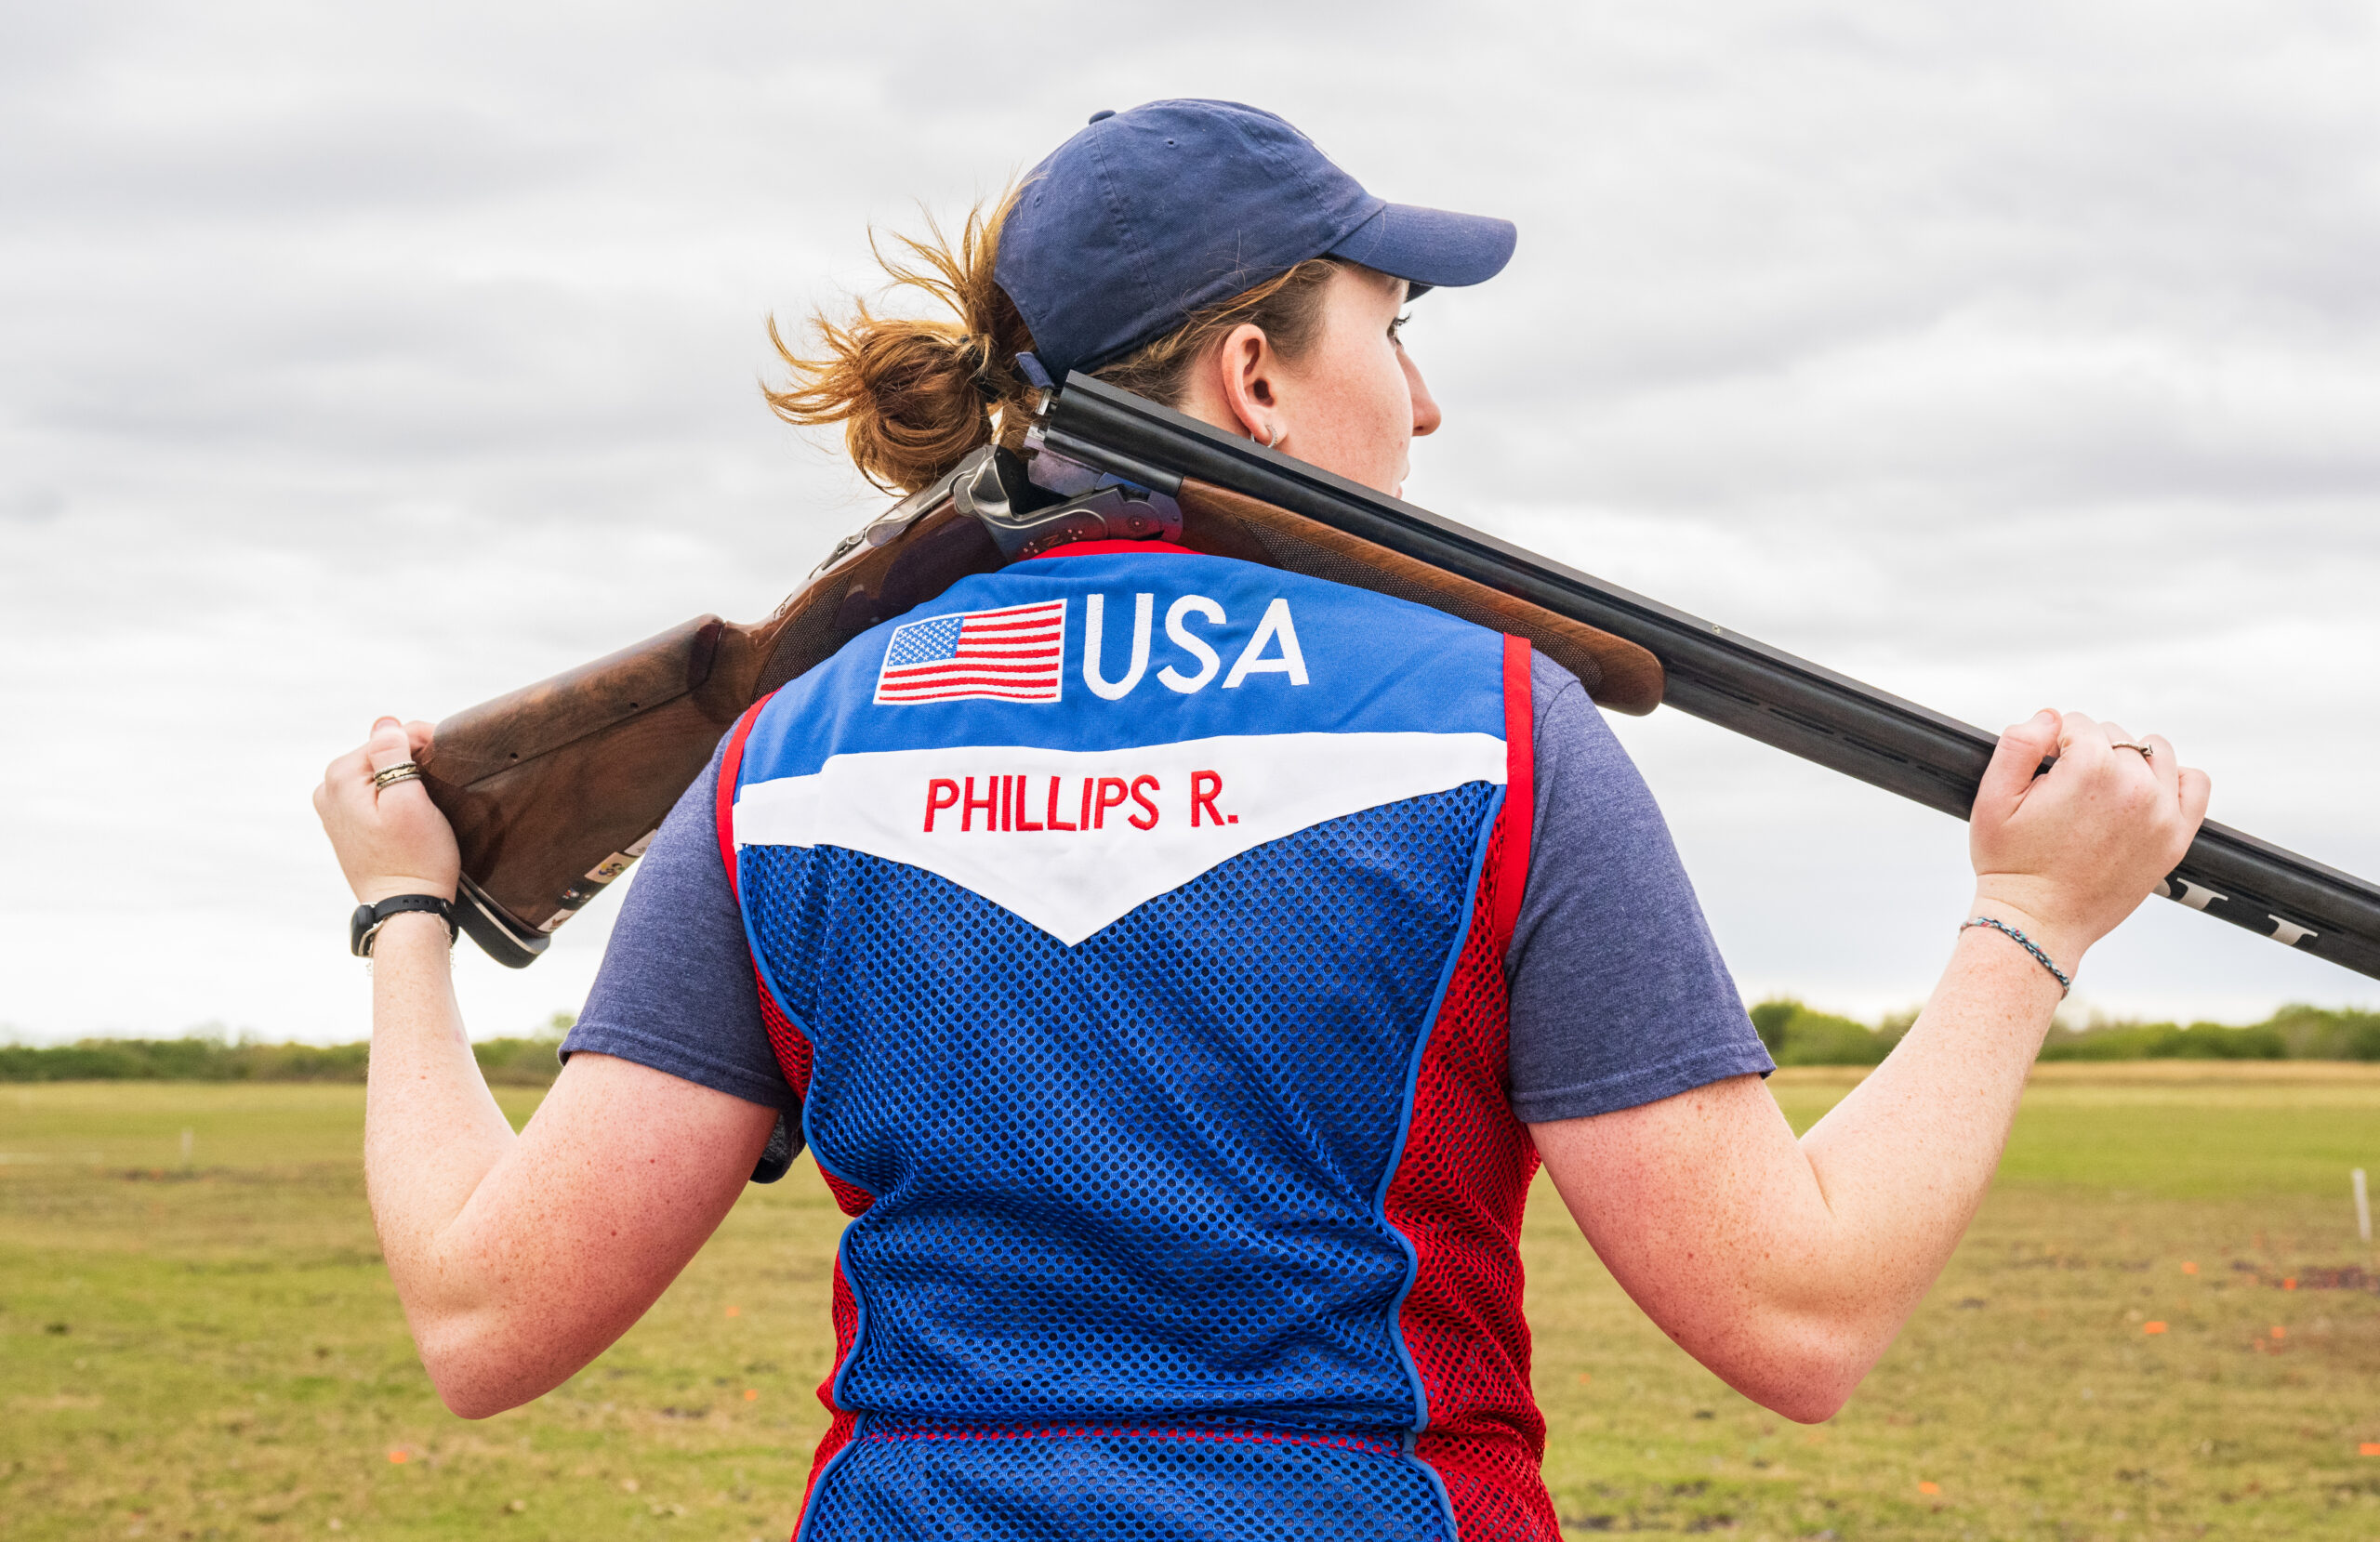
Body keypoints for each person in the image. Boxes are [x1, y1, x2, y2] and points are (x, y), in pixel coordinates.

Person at [313, 100, 2210, 1540]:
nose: (1428, 402)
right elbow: (1791, 1313)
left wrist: (408, 914)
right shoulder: (1488, 728)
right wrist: (2022, 928)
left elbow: (488, 1314)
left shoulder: (786, 753)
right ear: (1253, 378)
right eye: (1392, 329)